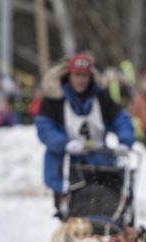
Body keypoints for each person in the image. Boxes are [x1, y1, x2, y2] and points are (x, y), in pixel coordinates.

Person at [35, 53, 135, 212]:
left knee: (108, 205)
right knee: (71, 209)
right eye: (77, 75)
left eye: (84, 76)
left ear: (91, 76)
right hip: (66, 164)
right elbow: (45, 128)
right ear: (69, 75)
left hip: (100, 163)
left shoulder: (101, 97)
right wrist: (64, 144)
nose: (80, 80)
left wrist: (125, 141)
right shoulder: (54, 100)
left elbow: (121, 119)